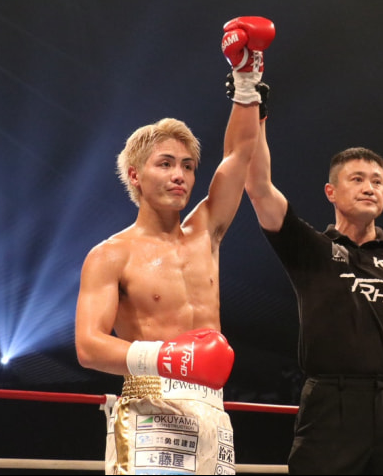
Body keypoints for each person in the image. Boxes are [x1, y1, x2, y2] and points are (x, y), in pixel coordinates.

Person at [74, 16, 275, 475]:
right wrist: (167, 357)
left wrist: (246, 78)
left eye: (186, 165)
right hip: (149, 406)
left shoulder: (206, 232)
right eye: (165, 164)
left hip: (212, 407)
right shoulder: (111, 254)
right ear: (135, 175)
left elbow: (238, 155)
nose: (179, 175)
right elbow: (88, 346)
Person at [242, 90, 383, 474]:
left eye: (378, 181)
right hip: (330, 404)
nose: (369, 187)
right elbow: (259, 187)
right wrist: (256, 118)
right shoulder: (311, 249)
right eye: (358, 179)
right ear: (331, 192)